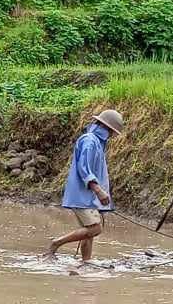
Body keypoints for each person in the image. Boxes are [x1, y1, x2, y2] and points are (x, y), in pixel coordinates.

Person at [46, 109, 125, 262]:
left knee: (89, 233)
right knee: (95, 228)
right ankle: (56, 243)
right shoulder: (90, 141)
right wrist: (98, 190)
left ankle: (85, 262)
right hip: (82, 195)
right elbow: (84, 168)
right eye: (113, 132)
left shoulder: (97, 142)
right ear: (107, 129)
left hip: (88, 196)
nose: (113, 136)